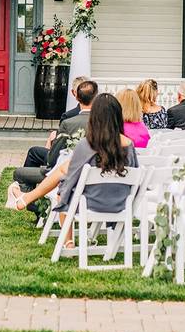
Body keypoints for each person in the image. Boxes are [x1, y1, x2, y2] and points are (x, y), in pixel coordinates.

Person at [7, 93, 139, 249]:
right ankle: (25, 198)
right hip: (121, 203)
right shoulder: (129, 145)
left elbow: (71, 177)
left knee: (63, 190)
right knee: (65, 172)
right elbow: (134, 174)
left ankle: (68, 241)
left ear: (94, 116)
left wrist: (63, 188)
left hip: (88, 204)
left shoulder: (87, 144)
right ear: (118, 115)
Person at [14, 80, 97, 194]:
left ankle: (30, 200)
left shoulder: (69, 122)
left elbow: (53, 158)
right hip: (93, 172)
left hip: (67, 171)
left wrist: (50, 146)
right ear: (96, 97)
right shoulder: (104, 122)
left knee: (19, 172)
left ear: (77, 97)